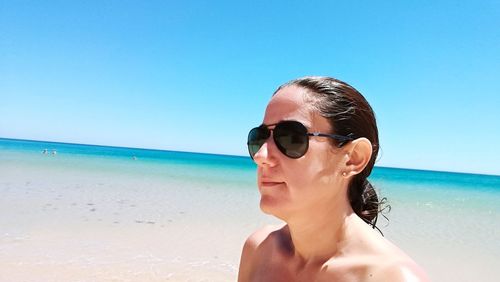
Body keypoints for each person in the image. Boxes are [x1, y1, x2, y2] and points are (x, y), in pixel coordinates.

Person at [238, 77, 428, 281]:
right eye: (259, 137)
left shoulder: (391, 277)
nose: (261, 156)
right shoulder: (259, 249)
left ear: (353, 158)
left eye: (291, 138)